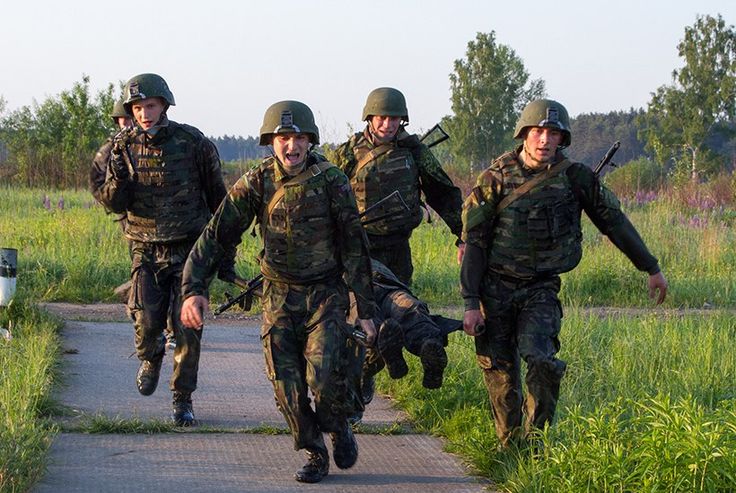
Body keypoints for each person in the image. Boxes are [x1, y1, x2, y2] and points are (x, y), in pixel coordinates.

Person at [180, 100, 377, 483]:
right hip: (279, 298)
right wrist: (194, 288)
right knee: (286, 387)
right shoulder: (257, 182)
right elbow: (217, 233)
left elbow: (355, 246)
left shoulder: (332, 181)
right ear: (271, 141)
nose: (292, 145)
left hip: (325, 295)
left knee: (324, 378)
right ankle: (314, 450)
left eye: (299, 137)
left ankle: (337, 424)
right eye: (283, 137)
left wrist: (365, 310)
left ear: (310, 140)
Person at [460, 99, 668, 448]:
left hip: (541, 288)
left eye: (553, 133)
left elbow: (614, 223)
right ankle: (508, 446)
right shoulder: (495, 178)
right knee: (500, 372)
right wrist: (470, 302)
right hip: (494, 287)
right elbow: (475, 242)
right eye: (538, 132)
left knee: (542, 362)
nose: (545, 140)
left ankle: (536, 442)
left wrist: (651, 267)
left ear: (562, 138)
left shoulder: (575, 178)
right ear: (524, 134)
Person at [95, 73, 232, 426]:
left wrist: (225, 253)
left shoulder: (193, 142)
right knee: (146, 323)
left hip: (189, 249)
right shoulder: (121, 147)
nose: (144, 114)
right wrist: (118, 178)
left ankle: (182, 398)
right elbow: (112, 203)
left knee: (188, 328)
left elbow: (219, 200)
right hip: (145, 248)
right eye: (137, 108)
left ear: (164, 105)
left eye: (150, 106)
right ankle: (151, 356)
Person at [330, 87, 464, 285]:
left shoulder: (414, 150)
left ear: (402, 119)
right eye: (382, 118)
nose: (388, 125)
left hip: (398, 248)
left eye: (394, 118)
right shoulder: (348, 153)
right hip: (360, 246)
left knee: (400, 298)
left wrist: (463, 236)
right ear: (370, 118)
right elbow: (328, 198)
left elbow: (443, 194)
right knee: (361, 299)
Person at [90, 98, 176, 350]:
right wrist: (113, 197)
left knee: (171, 276)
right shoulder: (112, 148)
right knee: (143, 273)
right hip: (131, 220)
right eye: (125, 119)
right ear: (118, 121)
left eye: (131, 119)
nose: (130, 123)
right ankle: (143, 316)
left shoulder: (158, 142)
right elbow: (96, 182)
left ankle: (169, 328)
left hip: (164, 221)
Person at [348, 259, 459, 423]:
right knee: (406, 310)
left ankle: (425, 344)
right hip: (368, 284)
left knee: (404, 310)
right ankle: (423, 339)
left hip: (372, 282)